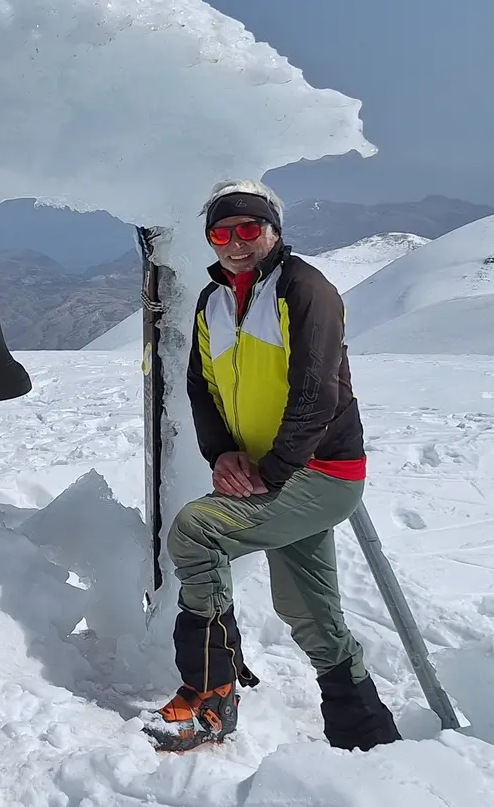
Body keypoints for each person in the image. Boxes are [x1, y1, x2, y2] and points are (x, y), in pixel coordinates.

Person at [143, 178, 401, 754]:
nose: (235, 242)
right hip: (272, 470)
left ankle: (210, 692)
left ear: (273, 232)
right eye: (221, 232)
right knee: (307, 608)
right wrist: (224, 454)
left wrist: (274, 469)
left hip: (320, 473)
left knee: (197, 529)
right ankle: (369, 738)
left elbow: (318, 392)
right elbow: (201, 387)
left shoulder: (304, 289)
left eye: (248, 229)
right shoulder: (215, 300)